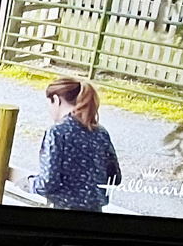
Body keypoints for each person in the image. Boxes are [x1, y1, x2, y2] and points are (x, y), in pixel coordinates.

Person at [29, 77, 122, 210]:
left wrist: (29, 183)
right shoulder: (100, 133)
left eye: (49, 104)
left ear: (56, 100)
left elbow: (47, 182)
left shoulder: (57, 132)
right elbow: (114, 178)